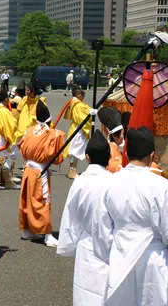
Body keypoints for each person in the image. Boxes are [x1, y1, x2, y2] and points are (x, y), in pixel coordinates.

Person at [93, 127, 168, 306]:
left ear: (127, 153)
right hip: (154, 259)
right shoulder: (164, 188)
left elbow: (101, 229)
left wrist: (109, 255)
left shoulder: (109, 183)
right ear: (152, 155)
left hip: (120, 255)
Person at [57, 130, 112, 306]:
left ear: (87, 157)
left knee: (85, 292)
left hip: (86, 244)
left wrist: (68, 245)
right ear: (109, 157)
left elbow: (70, 217)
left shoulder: (80, 182)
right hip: (111, 246)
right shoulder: (115, 182)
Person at [18, 101, 65, 248]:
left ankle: (26, 230)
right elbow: (58, 159)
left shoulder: (29, 131)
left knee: (27, 199)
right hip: (40, 171)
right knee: (43, 201)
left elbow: (22, 149)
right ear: (49, 119)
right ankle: (47, 234)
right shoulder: (54, 134)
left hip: (28, 170)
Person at [64, 85, 92, 179]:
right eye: (81, 93)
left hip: (76, 128)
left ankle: (72, 170)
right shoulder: (77, 104)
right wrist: (90, 114)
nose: (83, 95)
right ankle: (72, 170)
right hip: (78, 129)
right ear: (77, 94)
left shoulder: (76, 102)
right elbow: (82, 118)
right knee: (75, 150)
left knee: (75, 149)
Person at [96, 106, 124, 173]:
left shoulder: (113, 147)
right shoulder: (110, 151)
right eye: (122, 134)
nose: (124, 137)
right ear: (114, 136)